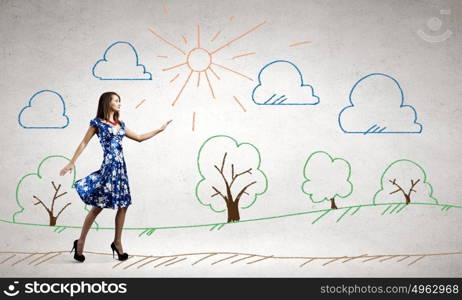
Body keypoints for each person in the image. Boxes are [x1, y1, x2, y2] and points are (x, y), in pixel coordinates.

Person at [60, 91, 172, 262]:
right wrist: (71, 162)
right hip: (108, 168)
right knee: (97, 207)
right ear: (107, 102)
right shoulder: (97, 123)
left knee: (124, 205)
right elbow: (84, 142)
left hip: (121, 170)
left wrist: (159, 129)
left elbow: (140, 137)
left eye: (120, 101)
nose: (119, 103)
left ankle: (117, 242)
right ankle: (80, 242)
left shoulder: (120, 124)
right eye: (116, 100)